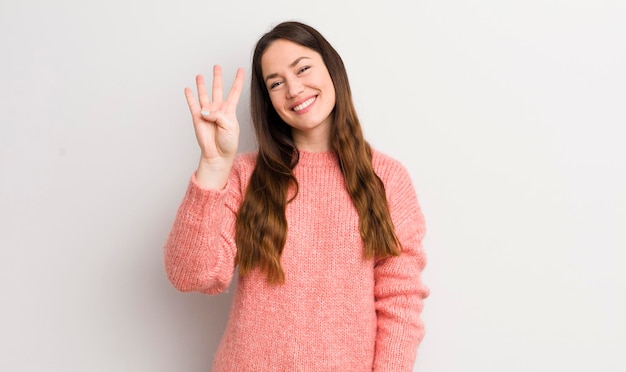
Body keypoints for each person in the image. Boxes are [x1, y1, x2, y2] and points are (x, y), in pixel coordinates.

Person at [164, 21, 429, 371]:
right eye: (276, 83)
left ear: (331, 68)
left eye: (303, 68)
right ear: (269, 101)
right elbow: (191, 275)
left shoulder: (387, 178)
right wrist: (214, 166)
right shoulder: (245, 175)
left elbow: (401, 302)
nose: (293, 88)